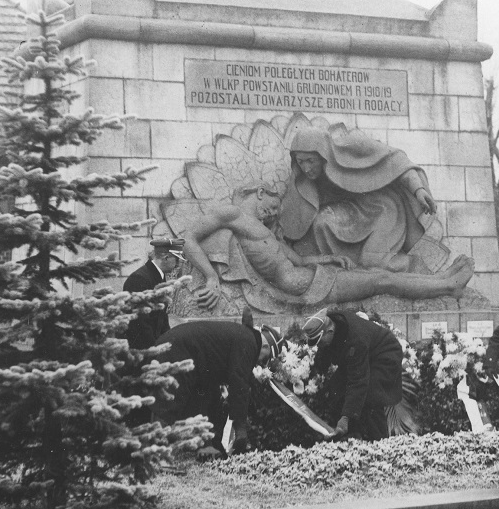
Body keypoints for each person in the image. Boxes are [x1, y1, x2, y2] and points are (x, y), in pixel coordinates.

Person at [181, 184, 474, 311]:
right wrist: (210, 277)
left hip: (313, 277)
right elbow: (188, 239)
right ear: (260, 193)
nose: (272, 214)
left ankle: (441, 280)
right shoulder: (232, 215)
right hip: (307, 288)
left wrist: (329, 256)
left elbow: (295, 257)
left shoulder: (263, 231)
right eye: (271, 206)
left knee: (375, 273)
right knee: (380, 280)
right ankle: (447, 287)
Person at [280, 126, 441, 273]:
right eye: (301, 162)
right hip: (352, 210)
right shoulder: (305, 178)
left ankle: (417, 269)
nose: (306, 168)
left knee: (374, 262)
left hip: (383, 208)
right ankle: (347, 271)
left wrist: (418, 190)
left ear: (323, 154)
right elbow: (296, 216)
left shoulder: (352, 146)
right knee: (321, 223)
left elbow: (396, 160)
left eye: (310, 161)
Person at [152, 319, 283, 457]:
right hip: (176, 349)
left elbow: (211, 393)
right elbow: (239, 385)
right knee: (170, 403)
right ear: (266, 347)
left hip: (183, 350)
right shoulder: (248, 342)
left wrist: (213, 444)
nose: (259, 363)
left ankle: (206, 446)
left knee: (206, 397)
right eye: (264, 360)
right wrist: (241, 429)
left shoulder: (244, 336)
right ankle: (157, 455)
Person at [302, 308, 404, 442]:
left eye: (320, 341)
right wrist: (314, 374)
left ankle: (380, 443)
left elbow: (358, 381)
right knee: (336, 387)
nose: (320, 346)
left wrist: (345, 418)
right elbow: (324, 353)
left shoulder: (355, 340)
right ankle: (353, 437)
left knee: (371, 395)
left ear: (330, 331)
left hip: (384, 354)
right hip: (365, 354)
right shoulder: (332, 324)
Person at [123, 238, 184, 350]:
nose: (177, 266)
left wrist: (168, 342)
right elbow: (139, 322)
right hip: (140, 349)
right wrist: (153, 349)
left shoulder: (158, 276)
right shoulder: (140, 278)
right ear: (166, 258)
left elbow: (162, 317)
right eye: (177, 260)